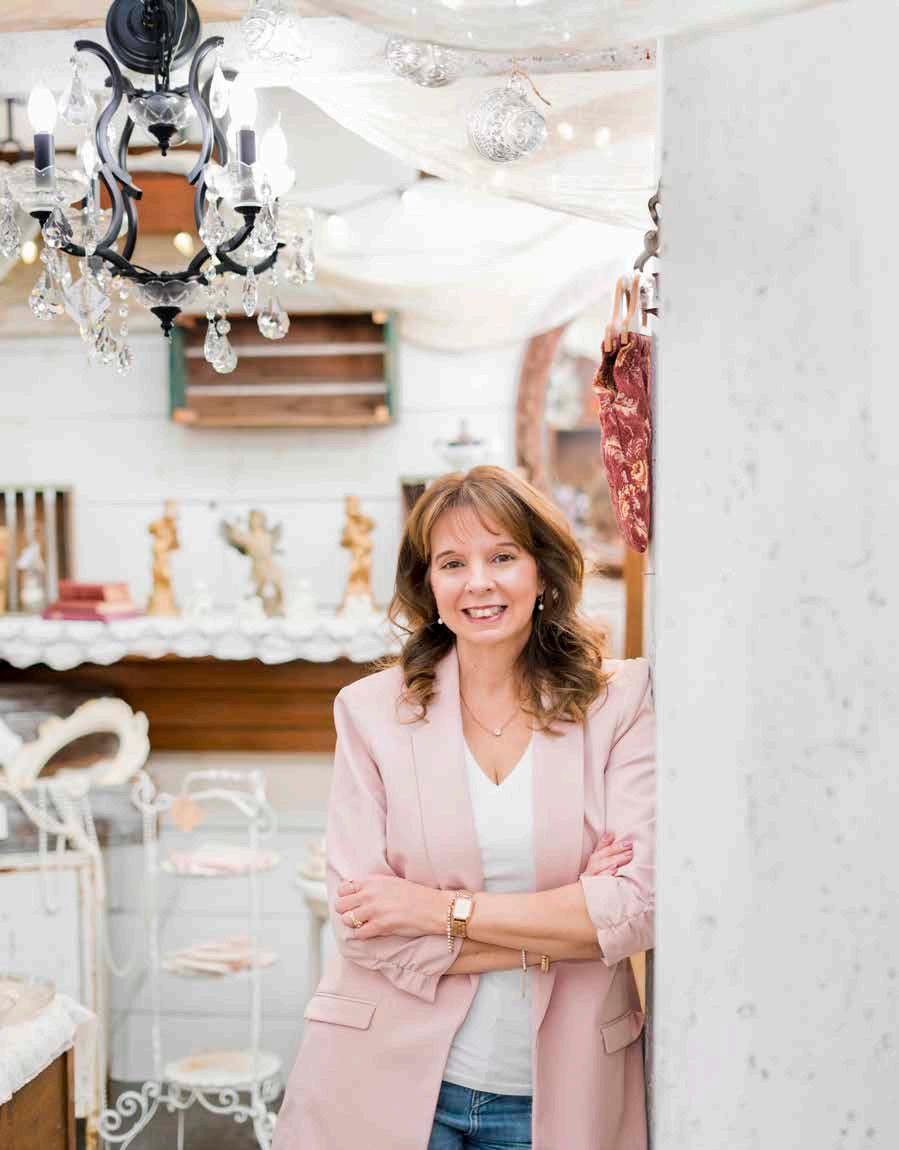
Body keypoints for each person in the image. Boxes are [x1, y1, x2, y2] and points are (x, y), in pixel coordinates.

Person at [273, 466, 655, 1150]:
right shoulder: (370, 712)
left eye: (502, 556)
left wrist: (433, 910)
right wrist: (565, 926)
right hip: (387, 1076)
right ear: (428, 586)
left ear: (543, 573)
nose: (478, 582)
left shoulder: (617, 703)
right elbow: (363, 929)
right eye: (452, 563)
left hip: (560, 1090)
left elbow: (635, 908)